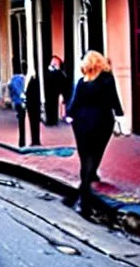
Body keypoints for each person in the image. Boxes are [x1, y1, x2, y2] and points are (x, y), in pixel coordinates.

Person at [65, 51, 125, 214]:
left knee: (85, 156)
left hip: (81, 123)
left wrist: (69, 115)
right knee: (95, 154)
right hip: (102, 122)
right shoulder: (107, 80)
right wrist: (120, 115)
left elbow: (74, 103)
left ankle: (84, 184)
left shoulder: (82, 82)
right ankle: (83, 195)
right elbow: (114, 99)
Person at [44, 56, 67, 126]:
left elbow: (62, 81)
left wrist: (61, 93)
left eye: (55, 61)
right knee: (49, 106)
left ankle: (54, 120)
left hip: (56, 91)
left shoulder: (60, 72)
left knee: (54, 106)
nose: (53, 62)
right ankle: (49, 120)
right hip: (49, 91)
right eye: (52, 60)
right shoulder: (48, 70)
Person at [9, 63, 28, 148]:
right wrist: (21, 94)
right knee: (21, 120)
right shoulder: (18, 79)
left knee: (21, 120)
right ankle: (22, 142)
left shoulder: (15, 78)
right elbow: (15, 87)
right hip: (19, 102)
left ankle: (22, 141)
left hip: (18, 101)